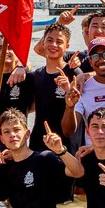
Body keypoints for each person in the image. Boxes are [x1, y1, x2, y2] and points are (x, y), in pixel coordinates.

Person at [0, 110, 83, 208]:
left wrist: (61, 151)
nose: (12, 134)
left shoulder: (45, 158)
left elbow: (78, 172)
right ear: (2, 139)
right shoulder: (6, 169)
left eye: (17, 129)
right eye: (7, 132)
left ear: (27, 134)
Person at [29, 22, 81, 150]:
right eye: (50, 40)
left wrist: (69, 90)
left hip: (65, 145)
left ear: (67, 46)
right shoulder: (36, 75)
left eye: (59, 42)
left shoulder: (74, 73)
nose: (53, 45)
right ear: (43, 43)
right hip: (38, 142)